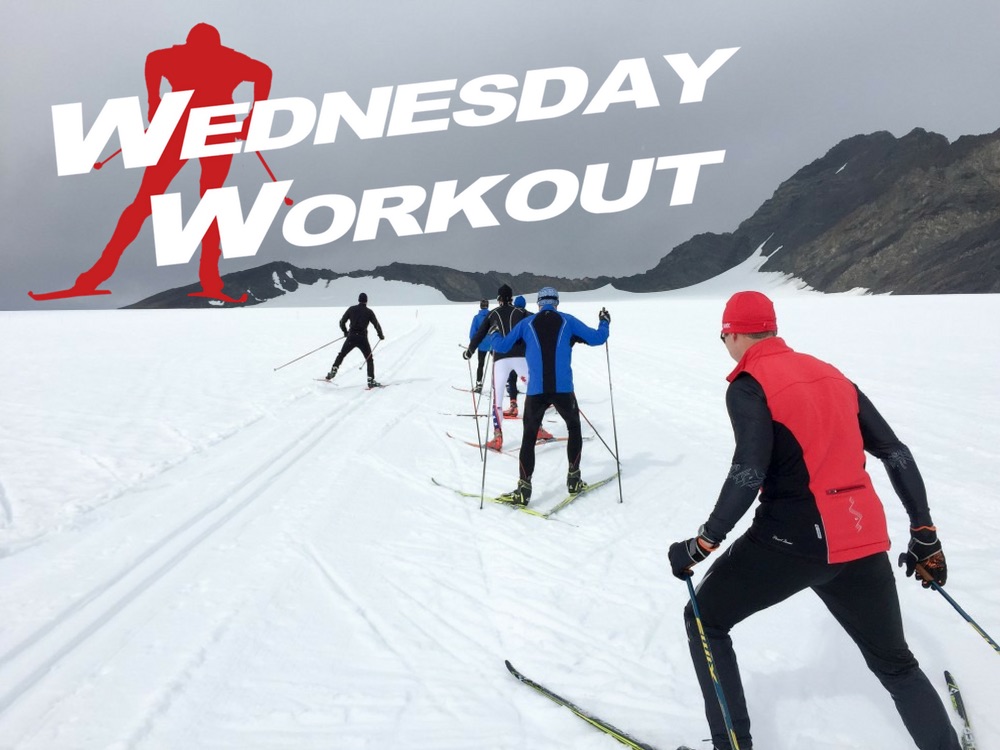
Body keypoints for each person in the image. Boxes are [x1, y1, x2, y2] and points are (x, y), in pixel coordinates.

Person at [667, 291, 959, 750]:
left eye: (724, 336)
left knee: (704, 619)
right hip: (861, 539)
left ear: (734, 332)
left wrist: (704, 543)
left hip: (791, 543)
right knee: (897, 665)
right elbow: (895, 452)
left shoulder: (748, 384)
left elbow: (749, 470)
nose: (725, 344)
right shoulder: (831, 373)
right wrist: (924, 534)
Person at [52, 24, 273, 303]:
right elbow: (264, 72)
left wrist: (154, 102)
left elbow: (153, 60)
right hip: (211, 128)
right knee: (204, 200)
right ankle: (209, 279)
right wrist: (255, 115)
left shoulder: (173, 57)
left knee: (149, 201)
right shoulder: (230, 59)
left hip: (183, 127)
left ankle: (97, 275)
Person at [487, 287, 610, 505]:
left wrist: (494, 332)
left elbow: (502, 346)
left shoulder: (526, 324)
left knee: (528, 436)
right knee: (574, 428)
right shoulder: (568, 321)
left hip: (536, 391)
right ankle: (574, 480)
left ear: (538, 304)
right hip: (563, 390)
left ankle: (523, 490)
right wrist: (604, 321)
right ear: (557, 303)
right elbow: (598, 338)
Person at [463, 284, 533, 450]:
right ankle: (537, 428)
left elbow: (480, 334)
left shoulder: (492, 314)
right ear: (511, 297)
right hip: (520, 357)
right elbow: (537, 322)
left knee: (498, 399)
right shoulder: (521, 312)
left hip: (500, 359)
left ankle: (497, 436)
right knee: (533, 392)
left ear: (499, 298)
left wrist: (470, 351)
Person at [326, 293, 385, 388]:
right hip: (362, 339)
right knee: (369, 359)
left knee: (341, 354)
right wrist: (380, 335)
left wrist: (345, 332)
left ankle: (333, 371)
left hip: (351, 337)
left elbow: (342, 322)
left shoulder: (351, 309)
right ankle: (370, 380)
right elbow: (376, 324)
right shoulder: (369, 312)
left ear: (358, 300)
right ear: (366, 301)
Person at [504, 295, 530, 416]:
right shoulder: (532, 316)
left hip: (513, 352)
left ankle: (513, 406)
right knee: (530, 380)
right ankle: (538, 405)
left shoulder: (510, 316)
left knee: (512, 378)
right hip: (528, 353)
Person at [468, 299, 491, 393]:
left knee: (481, 364)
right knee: (498, 365)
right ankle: (504, 384)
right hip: (493, 344)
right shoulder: (492, 316)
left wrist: (472, 345)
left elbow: (472, 333)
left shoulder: (476, 318)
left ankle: (479, 384)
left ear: (480, 306)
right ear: (488, 306)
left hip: (481, 345)